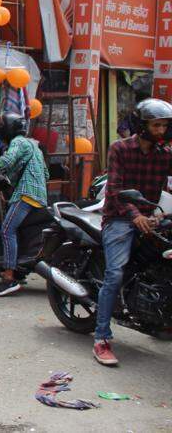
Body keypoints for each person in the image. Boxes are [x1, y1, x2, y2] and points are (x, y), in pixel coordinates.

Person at [92, 99, 172, 366]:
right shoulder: (120, 148)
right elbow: (114, 190)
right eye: (156, 125)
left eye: (165, 125)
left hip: (150, 216)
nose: (161, 130)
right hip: (119, 217)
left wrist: (152, 216)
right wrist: (135, 216)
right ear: (142, 125)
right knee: (114, 273)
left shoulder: (165, 154)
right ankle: (102, 339)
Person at [0, 113, 48, 297]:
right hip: (37, 194)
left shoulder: (18, 142)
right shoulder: (33, 144)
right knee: (17, 231)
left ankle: (9, 277)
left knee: (6, 230)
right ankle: (19, 271)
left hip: (26, 194)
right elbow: (44, 172)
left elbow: (7, 161)